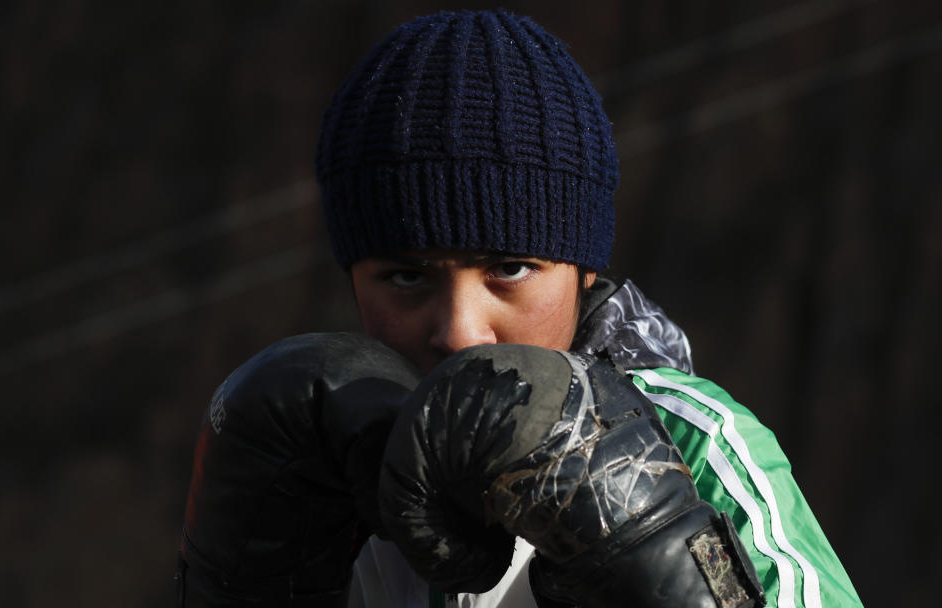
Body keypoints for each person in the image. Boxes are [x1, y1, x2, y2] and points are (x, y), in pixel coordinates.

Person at [176, 9, 861, 608]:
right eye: (406, 277)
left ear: (584, 269)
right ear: (353, 276)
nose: (461, 333)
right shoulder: (307, 470)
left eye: (509, 269)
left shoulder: (695, 444)